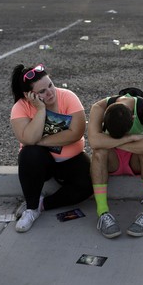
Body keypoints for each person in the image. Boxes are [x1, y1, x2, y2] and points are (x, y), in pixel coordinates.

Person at [10, 64, 92, 233]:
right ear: (29, 95)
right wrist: (40, 110)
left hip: (71, 160)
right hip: (42, 164)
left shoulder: (68, 97)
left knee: (90, 181)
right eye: (42, 91)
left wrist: (39, 141)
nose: (50, 93)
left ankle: (42, 205)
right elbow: (28, 139)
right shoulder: (20, 107)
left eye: (50, 85)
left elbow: (76, 132)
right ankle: (31, 209)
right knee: (29, 154)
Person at [87, 89, 143, 239]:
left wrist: (110, 142)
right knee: (98, 152)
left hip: (136, 160)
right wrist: (130, 138)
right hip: (113, 160)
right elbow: (94, 142)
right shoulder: (98, 108)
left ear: (133, 118)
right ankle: (102, 212)